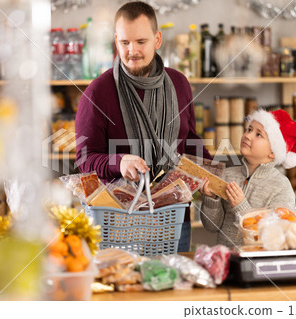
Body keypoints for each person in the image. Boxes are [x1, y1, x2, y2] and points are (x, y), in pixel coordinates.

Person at [75, 1, 211, 252]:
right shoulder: (98, 92)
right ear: (116, 41)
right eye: (124, 43)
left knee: (174, 287)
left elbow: (189, 140)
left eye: (141, 42)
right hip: (119, 220)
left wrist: (212, 175)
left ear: (157, 39)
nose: (132, 51)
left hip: (174, 216)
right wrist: (120, 162)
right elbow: (84, 158)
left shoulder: (179, 84)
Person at [200, 109, 296, 247]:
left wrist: (241, 207)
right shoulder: (226, 175)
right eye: (249, 129)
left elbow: (279, 234)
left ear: (272, 152)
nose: (248, 135)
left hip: (260, 263)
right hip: (226, 259)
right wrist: (211, 200)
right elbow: (211, 226)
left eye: (258, 134)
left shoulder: (281, 186)